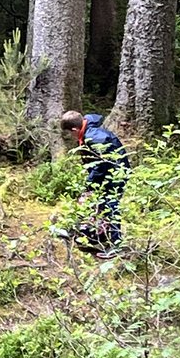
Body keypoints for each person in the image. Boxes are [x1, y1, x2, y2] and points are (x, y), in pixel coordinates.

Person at [60, 110, 131, 259]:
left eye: (70, 134)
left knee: (110, 205)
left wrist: (89, 184)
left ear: (75, 130)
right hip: (107, 174)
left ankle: (117, 245)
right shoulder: (88, 132)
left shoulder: (95, 138)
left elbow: (102, 164)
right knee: (91, 202)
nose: (71, 137)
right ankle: (79, 232)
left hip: (115, 175)